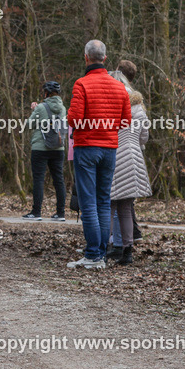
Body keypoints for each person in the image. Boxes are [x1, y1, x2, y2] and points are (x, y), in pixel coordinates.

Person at [66, 40, 131, 269]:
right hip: (110, 149)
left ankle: (93, 255)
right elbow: (125, 121)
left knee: (88, 202)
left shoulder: (81, 84)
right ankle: (100, 254)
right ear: (105, 59)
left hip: (87, 147)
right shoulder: (119, 87)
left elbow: (74, 119)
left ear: (86, 58)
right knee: (104, 201)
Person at [106, 72, 150, 265]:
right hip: (134, 157)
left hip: (114, 155)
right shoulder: (139, 107)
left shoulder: (111, 104)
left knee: (108, 206)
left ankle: (102, 247)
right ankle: (127, 251)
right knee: (126, 207)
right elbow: (144, 137)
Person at [23, 81, 67, 221]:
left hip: (40, 148)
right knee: (59, 180)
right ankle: (60, 213)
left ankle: (36, 212)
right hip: (58, 147)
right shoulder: (63, 109)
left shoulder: (41, 107)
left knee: (39, 179)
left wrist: (35, 110)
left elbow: (29, 124)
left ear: (46, 93)